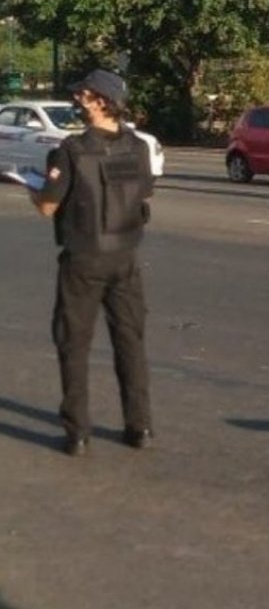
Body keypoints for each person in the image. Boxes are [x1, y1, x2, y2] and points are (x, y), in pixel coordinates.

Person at [29, 69, 156, 457]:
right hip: (126, 258)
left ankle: (77, 433)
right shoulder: (138, 148)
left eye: (84, 95)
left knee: (74, 345)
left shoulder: (71, 149)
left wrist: (35, 190)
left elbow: (49, 206)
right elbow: (143, 196)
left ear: (100, 100)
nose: (78, 101)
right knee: (130, 343)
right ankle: (140, 427)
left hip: (84, 259)